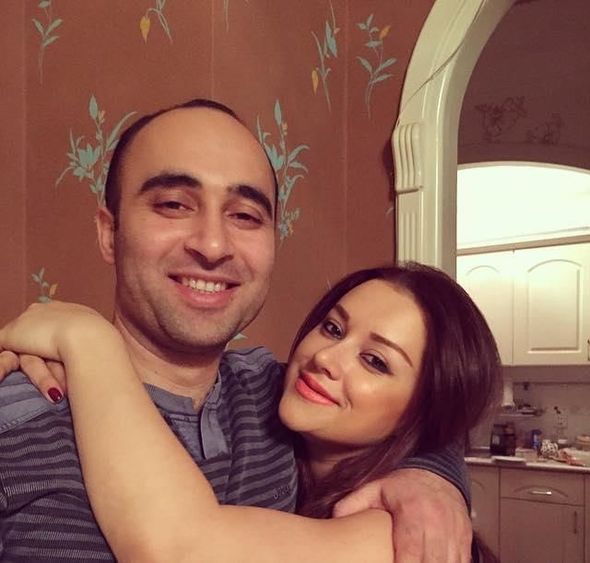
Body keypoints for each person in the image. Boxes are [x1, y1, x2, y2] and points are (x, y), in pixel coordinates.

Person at [0, 99, 472, 562]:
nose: (212, 245)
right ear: (110, 233)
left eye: (245, 215)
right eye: (173, 204)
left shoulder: (279, 400)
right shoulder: (17, 417)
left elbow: (423, 414)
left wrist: (433, 477)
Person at [0, 264, 501, 562]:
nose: (326, 358)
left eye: (375, 361)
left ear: (424, 412)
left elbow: (182, 551)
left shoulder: (394, 537)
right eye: (332, 328)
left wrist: (86, 339)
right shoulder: (261, 395)